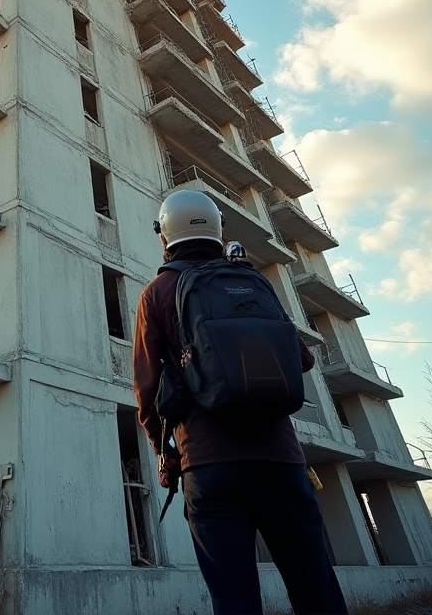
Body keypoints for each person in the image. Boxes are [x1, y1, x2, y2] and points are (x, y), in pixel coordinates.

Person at [132, 189, 347, 615]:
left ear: (164, 236)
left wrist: (163, 453)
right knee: (317, 593)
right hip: (281, 461)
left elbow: (146, 388)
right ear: (218, 229)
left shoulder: (156, 292)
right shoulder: (252, 280)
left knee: (234, 599)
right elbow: (302, 359)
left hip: (208, 464)